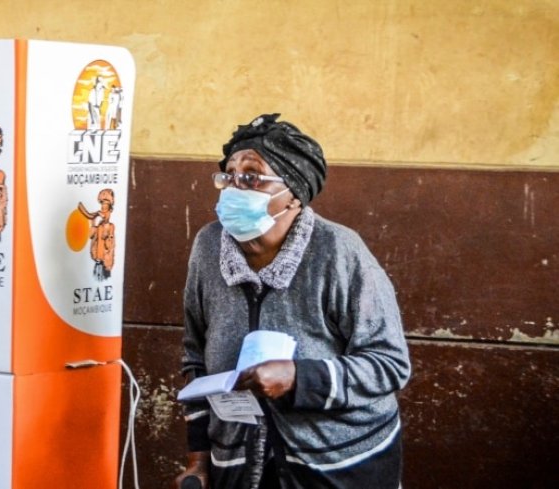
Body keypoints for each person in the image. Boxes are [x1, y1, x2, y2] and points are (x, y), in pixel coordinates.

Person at [175, 114, 411, 489]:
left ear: (294, 194)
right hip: (238, 464)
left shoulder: (338, 251)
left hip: (339, 465)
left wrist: (300, 377)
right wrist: (199, 461)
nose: (234, 188)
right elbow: (195, 360)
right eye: (228, 176)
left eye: (251, 177)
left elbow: (389, 365)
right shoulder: (207, 247)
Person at [77, 188, 116, 280]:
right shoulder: (99, 226)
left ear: (110, 210)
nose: (103, 208)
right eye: (102, 205)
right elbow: (91, 236)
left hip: (105, 265)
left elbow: (109, 245)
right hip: (97, 262)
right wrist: (93, 221)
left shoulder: (110, 227)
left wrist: (106, 237)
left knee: (103, 279)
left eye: (105, 207)